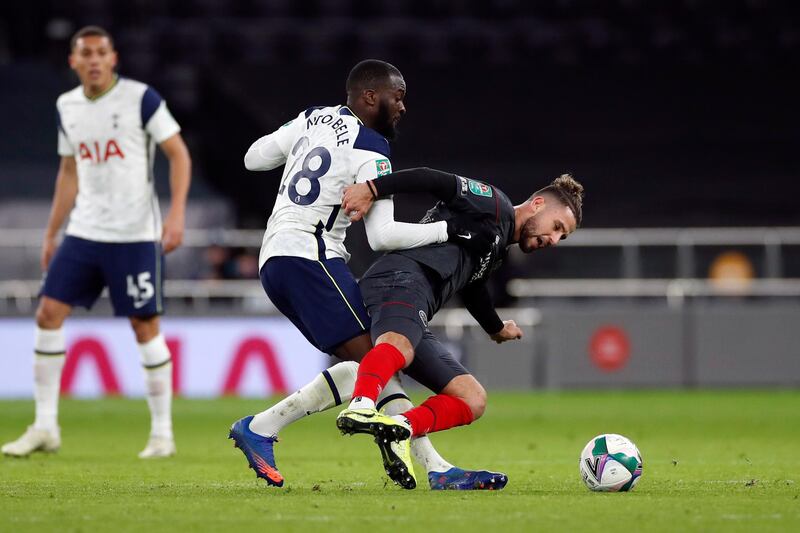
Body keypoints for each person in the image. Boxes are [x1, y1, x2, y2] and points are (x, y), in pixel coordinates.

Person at [228, 60, 504, 490]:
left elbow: (252, 158)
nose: (403, 107)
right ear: (370, 97)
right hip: (311, 256)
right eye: (398, 96)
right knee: (378, 363)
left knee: (367, 365)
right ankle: (434, 469)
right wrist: (451, 230)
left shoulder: (313, 117)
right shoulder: (372, 147)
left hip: (275, 257)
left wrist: (303, 138)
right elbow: (384, 236)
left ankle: (263, 428)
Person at [1, 26, 191, 459]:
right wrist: (52, 232)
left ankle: (162, 433)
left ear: (113, 58)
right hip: (84, 232)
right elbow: (69, 171)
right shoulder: (66, 106)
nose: (93, 60)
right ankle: (45, 426)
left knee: (144, 327)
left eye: (100, 52)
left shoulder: (141, 98)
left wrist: (176, 214)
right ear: (73, 61)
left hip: (134, 235)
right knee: (48, 314)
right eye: (85, 53)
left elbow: (178, 153)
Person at [336, 168, 584, 489]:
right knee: (398, 346)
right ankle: (361, 406)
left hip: (417, 305)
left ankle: (398, 429)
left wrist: (495, 328)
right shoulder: (494, 205)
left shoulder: (495, 245)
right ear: (537, 204)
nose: (553, 240)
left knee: (472, 398)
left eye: (561, 237)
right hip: (401, 279)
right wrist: (372, 188)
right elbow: (432, 180)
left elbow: (474, 290)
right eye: (556, 227)